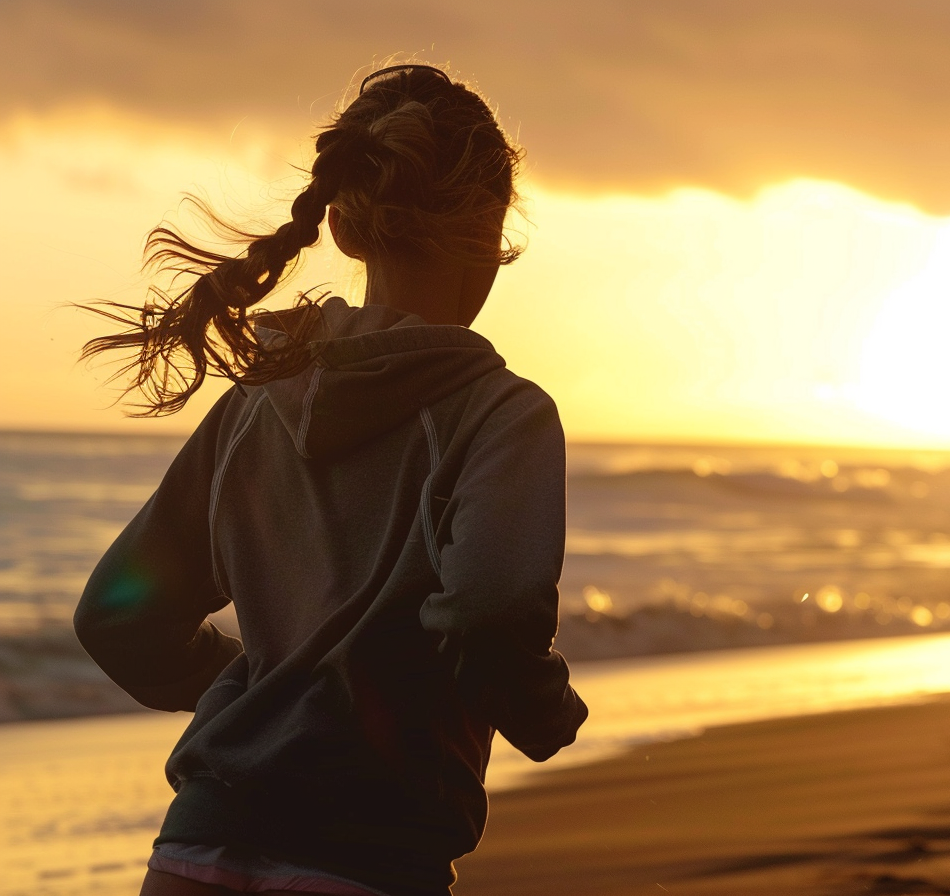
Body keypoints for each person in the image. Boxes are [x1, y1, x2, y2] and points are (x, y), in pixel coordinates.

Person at [73, 63, 588, 896]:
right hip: (367, 851)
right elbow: (491, 610)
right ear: (493, 229)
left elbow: (115, 619)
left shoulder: (257, 399)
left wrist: (265, 686)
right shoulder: (500, 414)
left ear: (341, 228)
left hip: (193, 850)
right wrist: (543, 711)